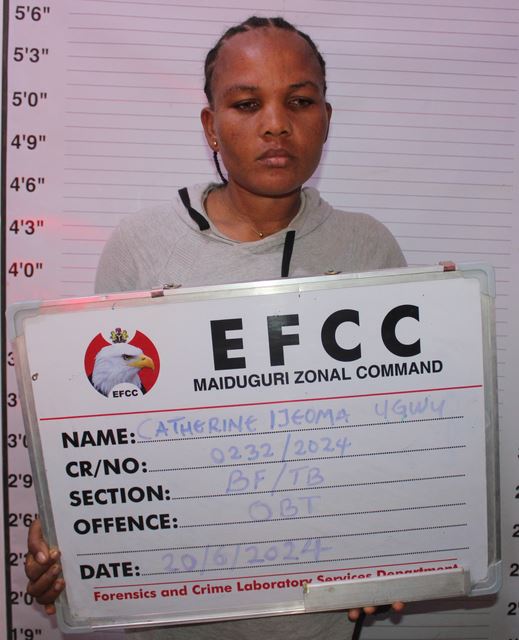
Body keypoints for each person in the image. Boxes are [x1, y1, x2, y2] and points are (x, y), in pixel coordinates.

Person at [24, 15, 406, 639]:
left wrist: (403, 551)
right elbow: (104, 422)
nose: (275, 124)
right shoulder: (141, 246)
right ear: (210, 125)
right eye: (247, 104)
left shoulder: (369, 247)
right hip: (173, 615)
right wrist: (66, 526)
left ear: (326, 119)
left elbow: (391, 440)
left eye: (300, 101)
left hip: (316, 622)